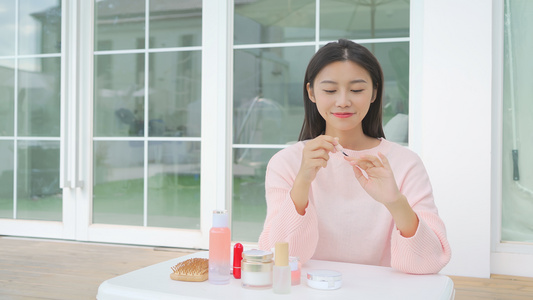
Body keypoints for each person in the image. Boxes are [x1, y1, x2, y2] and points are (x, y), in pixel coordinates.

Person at [258, 39, 451, 274]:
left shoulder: (405, 164)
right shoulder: (286, 163)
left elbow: (429, 262)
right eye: (329, 90)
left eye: (357, 90)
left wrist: (395, 202)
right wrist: (302, 183)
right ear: (311, 92)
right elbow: (278, 257)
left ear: (374, 93)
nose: (343, 101)